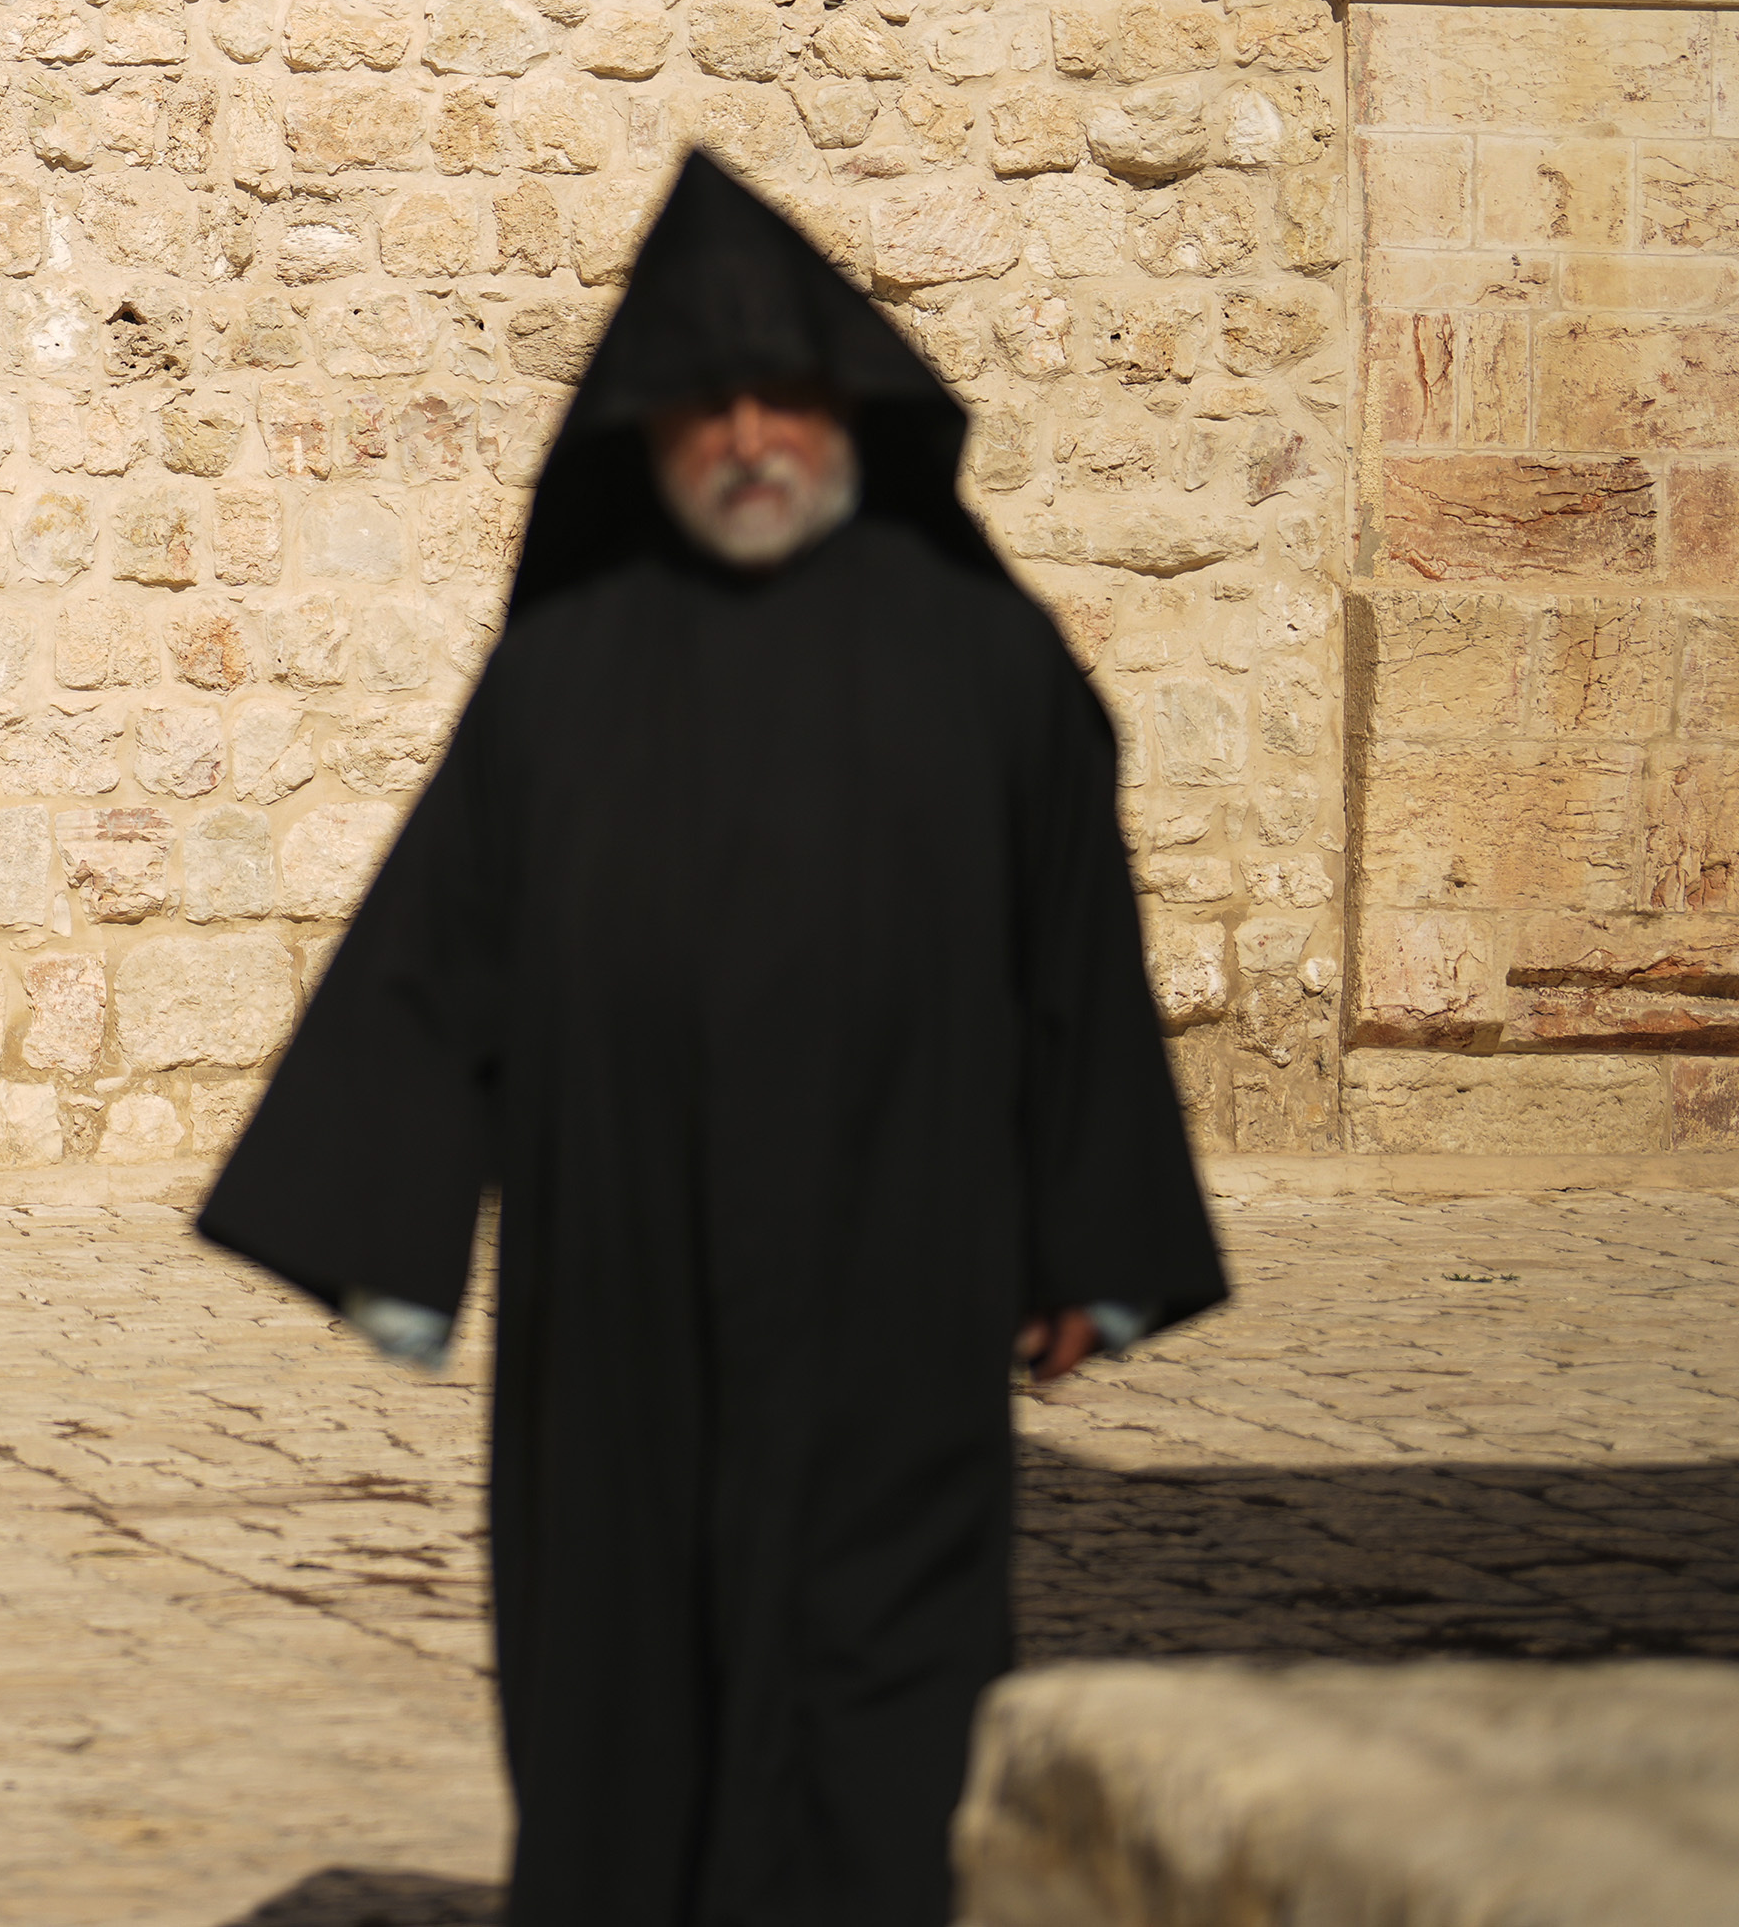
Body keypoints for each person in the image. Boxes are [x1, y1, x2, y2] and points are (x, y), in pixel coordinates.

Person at [197, 149, 1225, 1927]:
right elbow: (442, 950)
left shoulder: (992, 661)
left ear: (847, 415)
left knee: (885, 1702)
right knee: (625, 1682)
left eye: (786, 397)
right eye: (709, 405)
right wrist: (383, 1234)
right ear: (646, 437)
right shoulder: (565, 671)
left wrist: (1094, 1245)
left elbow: (1077, 953)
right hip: (627, 1311)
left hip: (897, 1285)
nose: (751, 435)